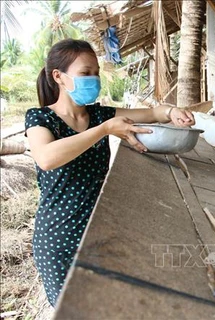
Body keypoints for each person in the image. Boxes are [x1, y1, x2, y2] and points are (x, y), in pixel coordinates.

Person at [25, 38, 195, 307]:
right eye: (85, 73)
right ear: (59, 76)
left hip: (100, 231)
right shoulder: (40, 118)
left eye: (95, 73)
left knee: (102, 306)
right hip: (58, 239)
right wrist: (103, 130)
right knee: (71, 310)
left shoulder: (100, 115)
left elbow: (152, 113)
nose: (93, 79)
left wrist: (173, 111)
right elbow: (47, 158)